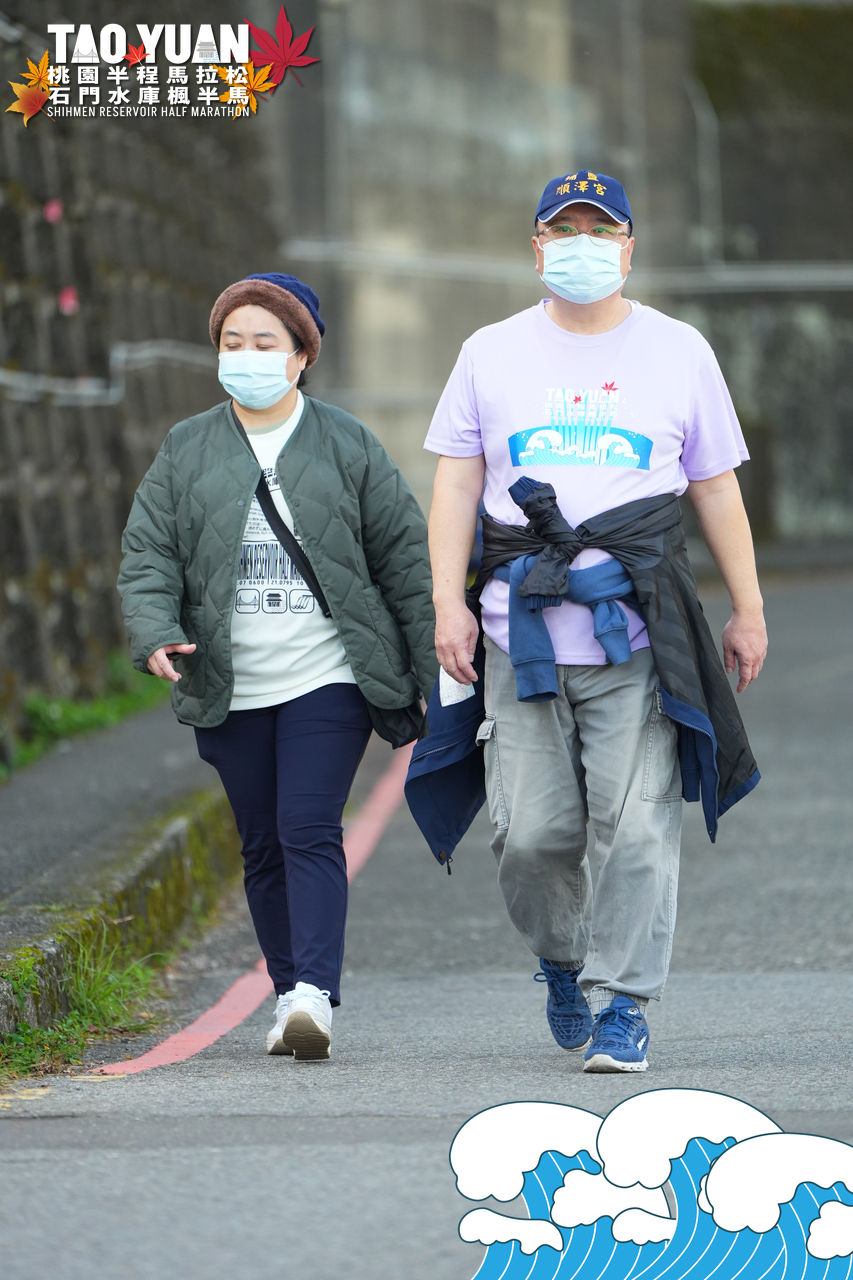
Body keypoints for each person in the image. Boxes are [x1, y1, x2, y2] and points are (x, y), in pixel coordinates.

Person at [421, 171, 767, 1073]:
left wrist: (748, 608)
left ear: (627, 246)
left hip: (637, 635)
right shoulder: (490, 351)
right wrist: (448, 602)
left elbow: (714, 485)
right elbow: (456, 482)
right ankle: (561, 958)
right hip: (518, 634)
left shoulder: (678, 350)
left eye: (599, 229)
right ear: (537, 247)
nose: (582, 244)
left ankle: (625, 1005)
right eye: (563, 229)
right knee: (531, 838)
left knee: (639, 826)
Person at [118, 272, 436, 1061]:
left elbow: (402, 556)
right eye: (232, 342)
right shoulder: (188, 445)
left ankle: (313, 996)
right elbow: (150, 550)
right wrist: (154, 630)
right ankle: (290, 990)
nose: (246, 356)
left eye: (265, 342)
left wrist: (437, 669)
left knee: (307, 826)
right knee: (260, 843)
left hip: (328, 674)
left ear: (301, 357)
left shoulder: (346, 442)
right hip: (228, 681)